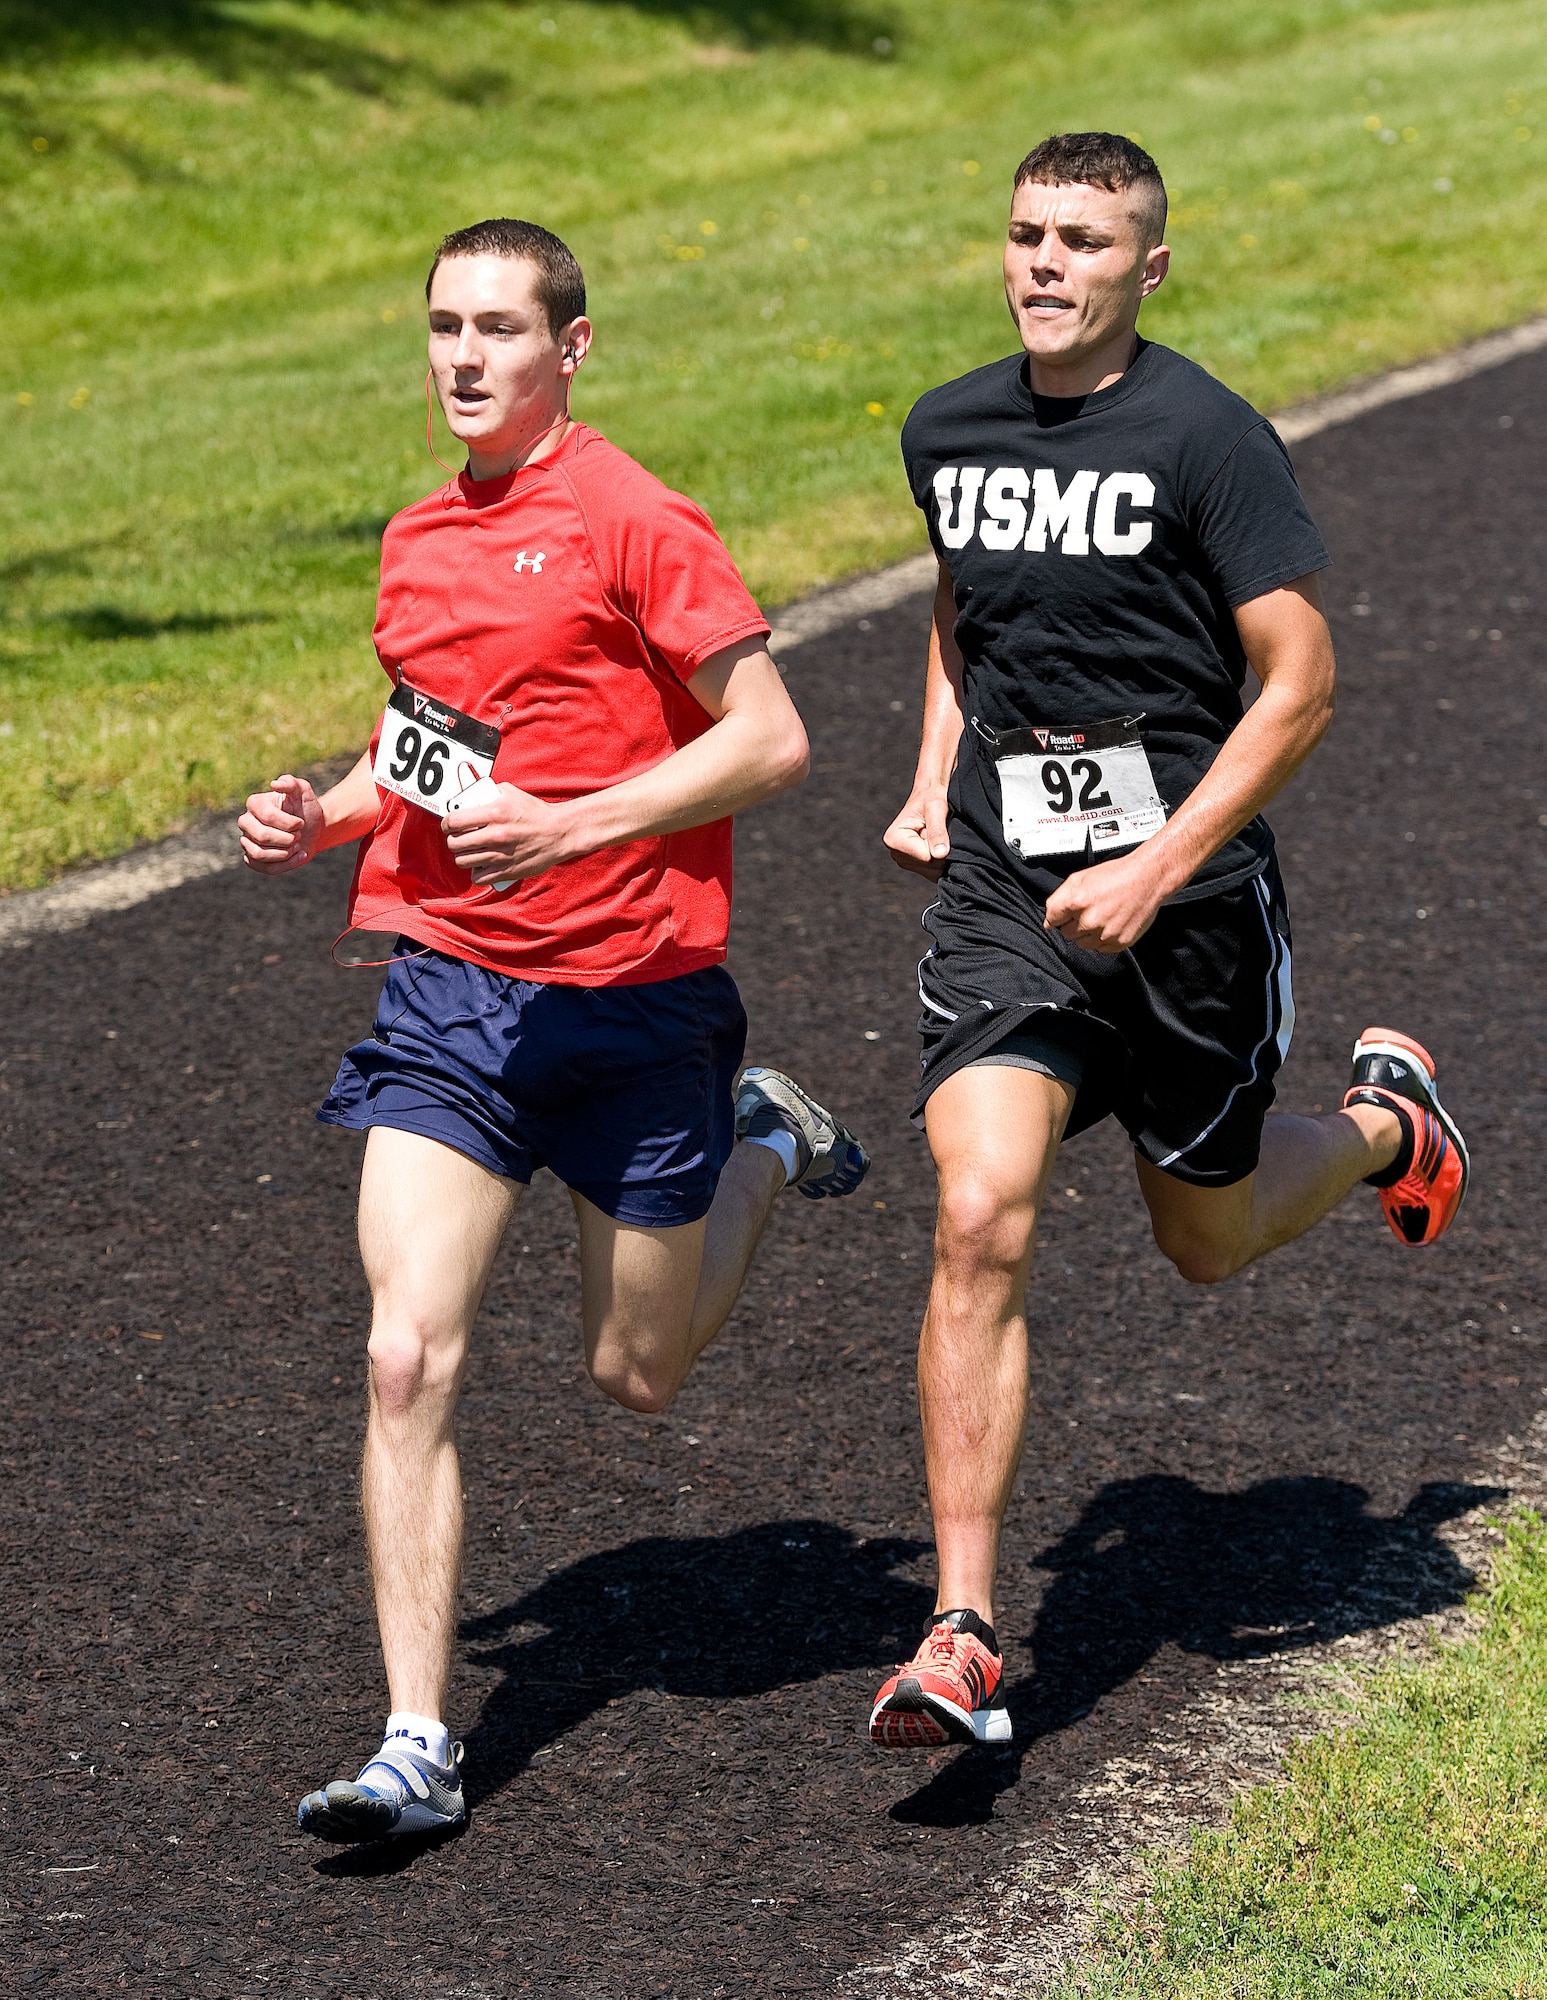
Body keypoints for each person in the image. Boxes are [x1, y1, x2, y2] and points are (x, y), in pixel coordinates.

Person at [238, 217, 869, 1842]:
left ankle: (760, 1141)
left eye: (500, 329)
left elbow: (773, 740)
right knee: (401, 1351)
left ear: (569, 349)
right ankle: (417, 1743)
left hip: (641, 998)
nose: (463, 356)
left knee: (637, 1371)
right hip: (453, 989)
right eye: (443, 325)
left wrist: (580, 830)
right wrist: (332, 810)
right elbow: (432, 746)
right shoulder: (414, 536)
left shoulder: (637, 520)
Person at [869, 133, 1469, 1751]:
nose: (1046, 262)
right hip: (1009, 894)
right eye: (1025, 233)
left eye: (1084, 239)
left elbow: (1304, 680)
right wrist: (935, 779)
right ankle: (966, 1628)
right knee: (980, 1209)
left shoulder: (1206, 439)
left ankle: (1381, 1128)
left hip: (1188, 914)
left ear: (1151, 264)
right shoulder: (952, 428)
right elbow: (963, 607)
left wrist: (1161, 859)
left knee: (1203, 1239)